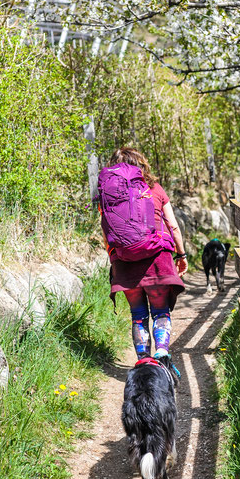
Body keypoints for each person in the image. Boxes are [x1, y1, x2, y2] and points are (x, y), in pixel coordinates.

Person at [101, 147, 188, 365]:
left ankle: (143, 362)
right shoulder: (155, 189)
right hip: (157, 260)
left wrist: (116, 260)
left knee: (138, 315)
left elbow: (106, 233)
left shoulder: (109, 195)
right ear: (141, 164)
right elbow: (174, 226)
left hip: (124, 263)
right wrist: (182, 254)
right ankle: (161, 355)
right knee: (160, 311)